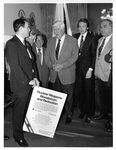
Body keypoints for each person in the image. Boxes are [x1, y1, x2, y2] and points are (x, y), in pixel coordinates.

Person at [5, 18, 40, 147]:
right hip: (20, 85)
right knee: (19, 111)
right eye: (27, 27)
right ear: (20, 29)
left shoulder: (26, 43)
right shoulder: (12, 44)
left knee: (25, 109)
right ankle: (18, 136)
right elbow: (15, 67)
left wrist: (36, 77)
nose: (29, 29)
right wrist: (28, 81)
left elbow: (31, 63)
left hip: (30, 83)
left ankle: (22, 128)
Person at [45, 20, 79, 124]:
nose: (56, 31)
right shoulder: (50, 41)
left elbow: (75, 56)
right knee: (57, 96)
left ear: (63, 29)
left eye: (58, 28)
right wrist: (52, 65)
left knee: (69, 96)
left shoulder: (72, 40)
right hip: (54, 74)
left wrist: (62, 65)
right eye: (54, 29)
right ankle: (59, 113)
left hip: (67, 74)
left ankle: (69, 113)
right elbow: (46, 56)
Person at [73, 18, 98, 123]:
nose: (81, 28)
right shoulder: (75, 37)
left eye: (83, 26)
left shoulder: (92, 38)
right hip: (77, 69)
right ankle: (82, 110)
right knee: (80, 91)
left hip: (88, 69)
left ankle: (89, 113)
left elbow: (94, 56)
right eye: (80, 26)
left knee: (89, 92)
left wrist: (91, 69)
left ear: (87, 27)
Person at [94, 19, 112, 121]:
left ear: (112, 27)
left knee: (111, 99)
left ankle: (111, 120)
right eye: (101, 27)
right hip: (100, 74)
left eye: (105, 26)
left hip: (110, 75)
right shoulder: (100, 40)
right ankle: (103, 114)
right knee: (102, 97)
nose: (102, 29)